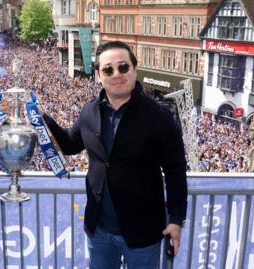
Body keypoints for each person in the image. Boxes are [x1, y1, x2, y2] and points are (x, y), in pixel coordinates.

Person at [41, 41, 188, 268]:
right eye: (108, 69)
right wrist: (44, 119)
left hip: (143, 232)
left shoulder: (159, 116)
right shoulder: (89, 111)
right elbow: (70, 144)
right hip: (99, 229)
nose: (117, 74)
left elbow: (176, 171)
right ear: (99, 75)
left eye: (123, 67)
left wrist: (176, 219)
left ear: (135, 69)